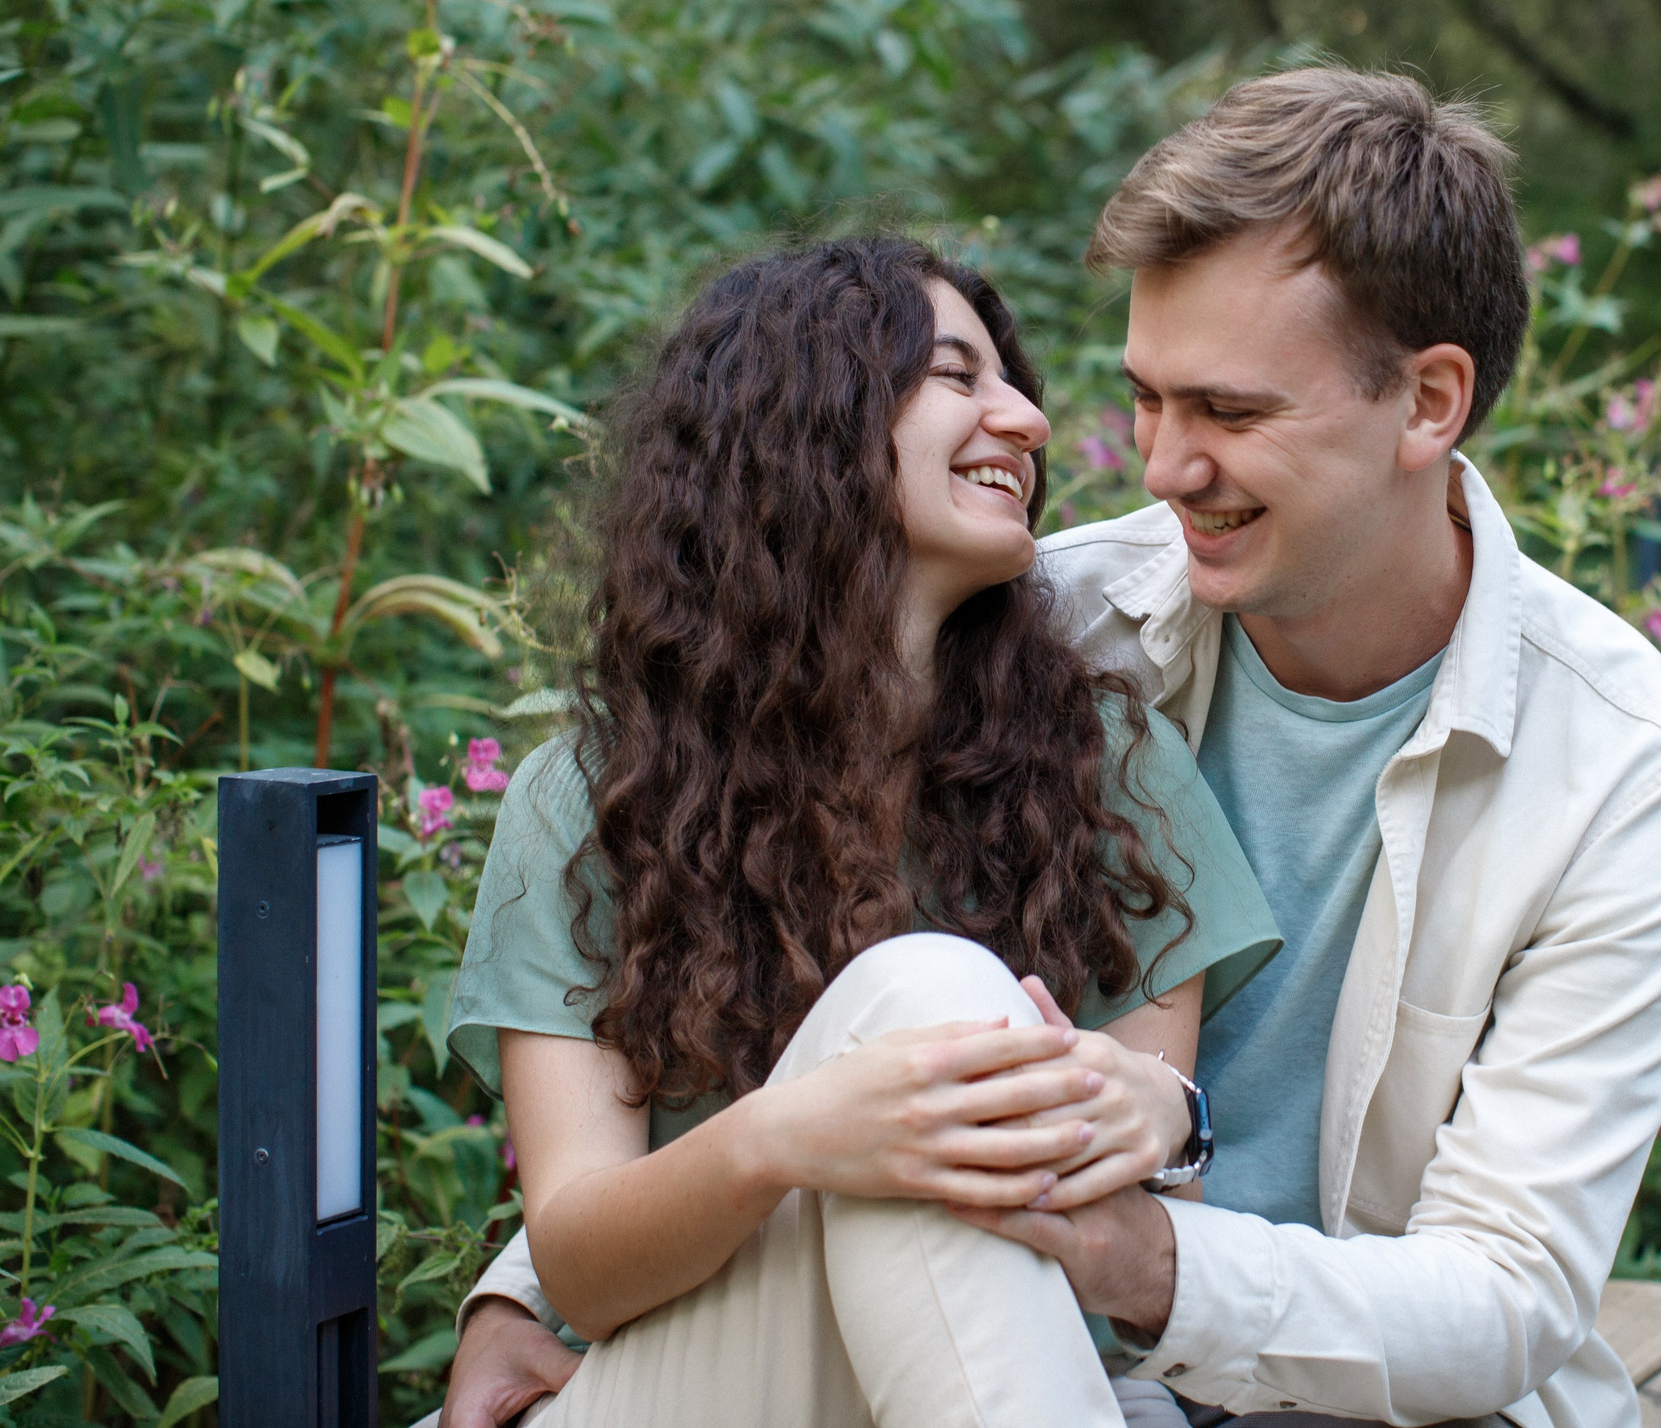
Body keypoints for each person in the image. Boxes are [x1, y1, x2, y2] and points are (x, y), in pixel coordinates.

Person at [446, 70, 1661, 1428]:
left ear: (1427, 404)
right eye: (1147, 399)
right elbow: (736, 850)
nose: (1161, 466)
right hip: (984, 1357)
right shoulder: (1029, 624)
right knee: (937, 1004)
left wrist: (1145, 1248)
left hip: (1334, 1391)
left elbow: (1505, 1294)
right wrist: (523, 1291)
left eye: (1230, 413)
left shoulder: (1625, 768)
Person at [439, 238, 1280, 1428]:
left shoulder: (1110, 768)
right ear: (807, 421)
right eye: (957, 377)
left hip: (1000, 1369)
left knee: (935, 1029)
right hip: (688, 1385)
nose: (1026, 419)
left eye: (1011, 381)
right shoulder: (595, 796)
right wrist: (794, 1137)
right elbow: (576, 1264)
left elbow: (1142, 1207)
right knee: (932, 993)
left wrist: (1137, 1119)